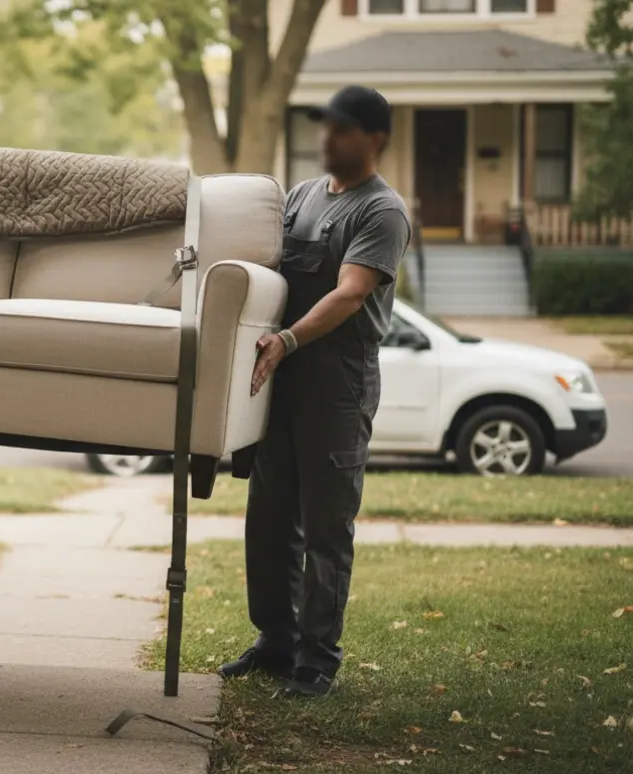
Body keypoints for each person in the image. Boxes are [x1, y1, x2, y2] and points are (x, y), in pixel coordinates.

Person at [219, 85, 410, 698]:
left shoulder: (381, 212)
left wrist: (288, 342)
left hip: (337, 383)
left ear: (373, 138)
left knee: (326, 527)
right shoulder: (301, 197)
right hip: (279, 376)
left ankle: (317, 661)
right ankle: (275, 642)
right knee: (270, 518)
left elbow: (350, 292)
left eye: (342, 128)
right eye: (324, 126)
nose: (326, 137)